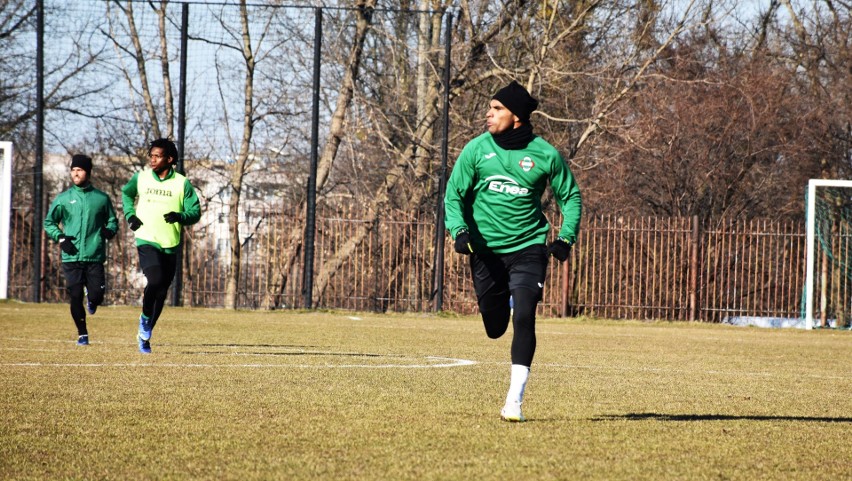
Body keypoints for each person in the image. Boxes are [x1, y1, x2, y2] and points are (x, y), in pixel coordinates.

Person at [444, 81, 582, 422]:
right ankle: (500, 302)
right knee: (495, 327)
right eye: (490, 108)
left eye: (497, 109)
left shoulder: (545, 154)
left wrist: (565, 238)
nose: (488, 114)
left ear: (516, 116)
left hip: (529, 248)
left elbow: (571, 198)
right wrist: (459, 232)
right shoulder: (476, 150)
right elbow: (453, 196)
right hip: (486, 251)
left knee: (524, 316)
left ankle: (514, 401)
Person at [121, 138, 201, 354]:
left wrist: (180, 216)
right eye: (151, 155)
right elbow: (126, 194)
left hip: (170, 244)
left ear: (170, 159)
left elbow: (195, 213)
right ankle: (144, 320)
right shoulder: (141, 178)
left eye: (157, 156)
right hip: (146, 238)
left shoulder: (182, 183)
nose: (152, 159)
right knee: (154, 280)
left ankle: (145, 336)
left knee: (161, 291)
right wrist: (130, 215)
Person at [43, 154, 119, 346]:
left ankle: (92, 300)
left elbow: (112, 220)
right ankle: (82, 334)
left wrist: (109, 231)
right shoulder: (64, 199)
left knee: (97, 295)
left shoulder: (101, 199)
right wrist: (60, 237)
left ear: (88, 172)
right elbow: (49, 222)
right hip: (71, 257)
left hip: (94, 256)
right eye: (73, 170)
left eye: (80, 170)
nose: (76, 174)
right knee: (75, 294)